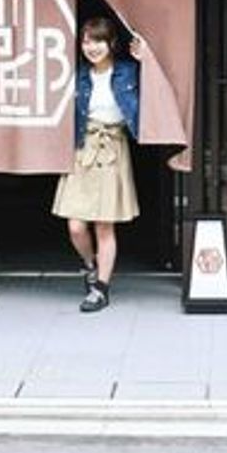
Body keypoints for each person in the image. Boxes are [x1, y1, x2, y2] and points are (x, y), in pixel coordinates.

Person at [52, 16, 144, 312]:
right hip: (83, 148)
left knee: (104, 226)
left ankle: (101, 288)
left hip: (112, 148)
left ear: (111, 44)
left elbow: (163, 83)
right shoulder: (78, 75)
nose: (92, 47)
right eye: (87, 41)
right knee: (76, 225)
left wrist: (148, 60)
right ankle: (90, 265)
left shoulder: (129, 71)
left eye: (98, 41)